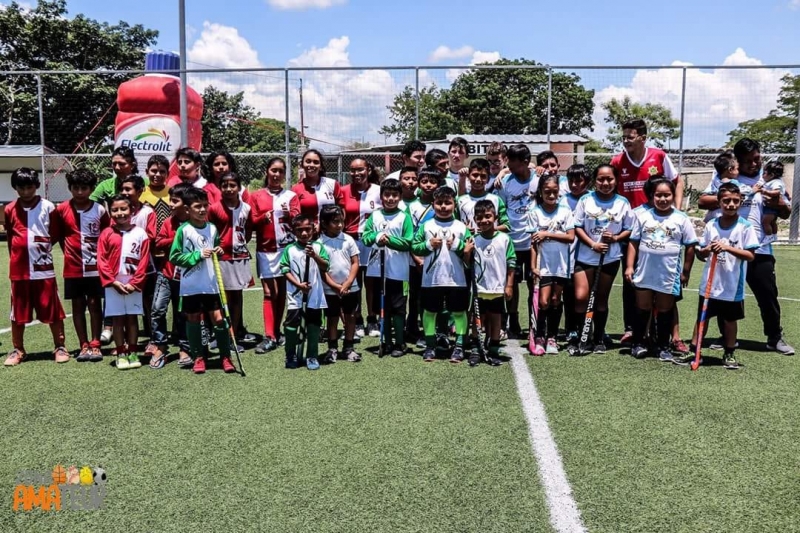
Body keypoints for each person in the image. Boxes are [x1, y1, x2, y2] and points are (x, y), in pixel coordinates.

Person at [697, 138, 794, 355]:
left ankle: (774, 337)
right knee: (725, 293)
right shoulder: (726, 176)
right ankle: (727, 338)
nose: (754, 164)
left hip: (759, 248)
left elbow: (786, 211)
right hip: (727, 248)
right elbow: (702, 201)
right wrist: (736, 195)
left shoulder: (769, 177)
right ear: (738, 162)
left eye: (757, 159)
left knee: (768, 294)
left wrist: (779, 204)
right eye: (748, 161)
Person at [611, 118, 683, 344]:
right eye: (623, 137)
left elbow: (677, 182)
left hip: (660, 230)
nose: (625, 141)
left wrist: (677, 212)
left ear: (643, 138)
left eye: (630, 137)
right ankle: (632, 329)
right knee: (631, 279)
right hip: (629, 232)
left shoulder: (659, 156)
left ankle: (669, 335)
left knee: (663, 281)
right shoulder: (617, 161)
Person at [675, 182, 759, 369]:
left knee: (730, 320)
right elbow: (701, 253)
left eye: (735, 201)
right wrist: (707, 250)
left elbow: (751, 255)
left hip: (731, 285)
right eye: (726, 201)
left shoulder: (745, 227)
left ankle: (729, 352)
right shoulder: (711, 225)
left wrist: (728, 247)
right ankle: (695, 349)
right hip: (709, 285)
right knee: (702, 318)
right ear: (719, 202)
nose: (730, 204)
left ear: (740, 201)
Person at [625, 177, 697, 361]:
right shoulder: (643, 216)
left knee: (665, 309)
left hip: (668, 273)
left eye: (667, 195)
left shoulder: (681, 219)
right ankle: (639, 343)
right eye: (659, 195)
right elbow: (633, 242)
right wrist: (629, 266)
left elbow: (690, 246)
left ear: (673, 196)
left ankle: (663, 346)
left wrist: (686, 271)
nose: (663, 199)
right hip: (645, 271)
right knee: (643, 307)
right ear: (652, 196)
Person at [3, 168, 68, 366]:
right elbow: (10, 236)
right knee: (18, 313)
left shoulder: (48, 207)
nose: (25, 191)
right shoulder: (9, 209)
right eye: (21, 187)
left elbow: (55, 234)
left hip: (43, 269)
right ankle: (18, 349)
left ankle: (59, 346)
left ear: (37, 186)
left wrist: (40, 251)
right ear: (15, 188)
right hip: (19, 271)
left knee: (52, 310)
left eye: (29, 187)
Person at [169, 187, 237, 375]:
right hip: (191, 285)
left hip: (211, 283)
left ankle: (225, 356)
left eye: (205, 206)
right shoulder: (183, 230)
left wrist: (219, 251)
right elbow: (174, 257)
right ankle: (198, 356)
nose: (202, 210)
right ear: (187, 209)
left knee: (218, 319)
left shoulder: (212, 228)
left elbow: (216, 248)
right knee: (193, 318)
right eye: (197, 206)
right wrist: (197, 255)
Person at [571, 164, 633, 354]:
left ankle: (598, 336)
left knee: (601, 299)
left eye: (609, 179)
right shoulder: (585, 200)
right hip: (585, 256)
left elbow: (629, 229)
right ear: (595, 181)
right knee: (581, 297)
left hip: (610, 258)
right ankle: (582, 334)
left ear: (616, 181)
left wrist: (614, 238)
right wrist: (593, 244)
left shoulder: (622, 202)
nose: (605, 183)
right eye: (601, 179)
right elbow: (578, 226)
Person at [411, 186, 472, 363]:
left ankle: (459, 347)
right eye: (439, 203)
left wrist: (457, 245)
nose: (443, 206)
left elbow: (469, 251)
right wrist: (429, 245)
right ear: (433, 204)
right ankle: (430, 346)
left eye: (448, 203)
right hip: (431, 279)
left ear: (454, 204)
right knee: (430, 313)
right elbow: (414, 247)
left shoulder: (461, 227)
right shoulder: (426, 226)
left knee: (459, 313)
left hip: (457, 279)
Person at [55, 168, 110, 362]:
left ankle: (96, 344)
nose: (79, 192)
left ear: (91, 188)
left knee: (95, 305)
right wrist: (69, 254)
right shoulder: (61, 209)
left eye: (84, 188)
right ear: (70, 188)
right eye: (75, 188)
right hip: (73, 268)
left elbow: (107, 236)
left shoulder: (100, 210)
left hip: (96, 267)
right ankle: (83, 345)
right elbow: (58, 235)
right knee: (77, 306)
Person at [250, 157, 301, 353]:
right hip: (266, 250)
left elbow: (299, 220)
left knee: (281, 294)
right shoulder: (257, 196)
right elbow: (251, 221)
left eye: (280, 171)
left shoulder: (291, 196)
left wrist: (290, 215)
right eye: (273, 170)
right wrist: (262, 218)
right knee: (269, 293)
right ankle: (269, 335)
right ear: (267, 171)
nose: (277, 174)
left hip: (287, 250)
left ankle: (277, 333)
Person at [98, 195, 151, 370]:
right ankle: (121, 352)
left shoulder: (140, 233)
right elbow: (102, 260)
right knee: (118, 320)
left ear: (132, 210)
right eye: (115, 210)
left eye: (123, 209)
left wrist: (135, 283)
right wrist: (112, 282)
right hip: (114, 284)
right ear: (110, 212)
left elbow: (143, 261)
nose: (119, 213)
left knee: (132, 319)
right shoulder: (106, 233)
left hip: (133, 284)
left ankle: (133, 351)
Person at [362, 178, 414, 357]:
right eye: (387, 195)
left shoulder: (404, 217)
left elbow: (409, 242)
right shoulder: (375, 215)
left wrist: (390, 240)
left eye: (394, 195)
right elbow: (366, 237)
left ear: (400, 197)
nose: (390, 198)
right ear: (381, 196)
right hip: (378, 270)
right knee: (383, 309)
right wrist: (377, 237)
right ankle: (387, 342)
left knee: (398, 309)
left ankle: (400, 343)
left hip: (398, 272)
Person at [528, 174, 575, 355]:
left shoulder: (565, 212)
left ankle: (552, 337)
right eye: (547, 191)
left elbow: (570, 237)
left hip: (561, 265)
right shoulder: (535, 213)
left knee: (556, 300)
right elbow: (533, 244)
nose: (551, 195)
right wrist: (533, 266)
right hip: (543, 264)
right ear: (541, 192)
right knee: (544, 301)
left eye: (555, 192)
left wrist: (547, 234)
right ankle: (539, 335)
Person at [148, 183, 193, 369]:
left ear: (186, 204)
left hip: (187, 278)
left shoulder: (196, 223)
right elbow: (159, 242)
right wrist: (177, 237)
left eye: (175, 201)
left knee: (182, 314)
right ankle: (160, 345)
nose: (171, 204)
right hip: (166, 274)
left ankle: (185, 347)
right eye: (170, 200)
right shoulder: (168, 222)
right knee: (158, 309)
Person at [496, 144, 538, 338]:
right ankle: (511, 321)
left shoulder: (539, 179)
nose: (508, 164)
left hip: (533, 244)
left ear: (526, 162)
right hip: (511, 242)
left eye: (512, 161)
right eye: (507, 161)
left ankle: (534, 323)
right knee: (509, 284)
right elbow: (501, 210)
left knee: (533, 284)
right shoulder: (505, 181)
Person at [208, 172, 252, 355]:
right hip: (221, 259)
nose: (228, 189)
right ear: (220, 188)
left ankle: (233, 335)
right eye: (224, 185)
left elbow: (248, 232)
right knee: (221, 299)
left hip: (240, 258)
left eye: (232, 185)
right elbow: (208, 232)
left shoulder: (247, 208)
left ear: (239, 187)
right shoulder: (214, 208)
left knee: (236, 299)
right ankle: (221, 336)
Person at [280, 215, 330, 370]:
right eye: (299, 230)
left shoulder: (318, 247)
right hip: (295, 296)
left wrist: (314, 256)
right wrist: (298, 285)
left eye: (307, 230)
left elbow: (325, 266)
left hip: (314, 296)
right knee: (291, 326)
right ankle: (291, 354)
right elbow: (284, 269)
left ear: (313, 229)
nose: (303, 234)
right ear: (294, 231)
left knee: (314, 325)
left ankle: (312, 355)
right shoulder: (290, 249)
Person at [341, 157, 382, 338]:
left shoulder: (379, 191)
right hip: (351, 242)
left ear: (368, 170)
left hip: (372, 243)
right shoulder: (343, 191)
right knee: (354, 282)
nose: (356, 173)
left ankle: (372, 319)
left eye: (360, 169)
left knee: (372, 282)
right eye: (353, 170)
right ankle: (356, 319)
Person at [471, 199, 515, 366]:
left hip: (497, 288)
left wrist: (509, 285)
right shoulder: (473, 239)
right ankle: (476, 349)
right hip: (479, 289)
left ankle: (494, 348)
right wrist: (467, 252)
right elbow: (468, 263)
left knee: (496, 318)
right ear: (475, 219)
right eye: (480, 217)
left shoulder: (504, 239)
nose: (484, 221)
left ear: (495, 217)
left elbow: (511, 264)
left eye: (488, 216)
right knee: (477, 319)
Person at [319, 205, 362, 363]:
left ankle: (348, 347)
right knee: (332, 317)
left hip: (350, 287)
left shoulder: (348, 239)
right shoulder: (320, 243)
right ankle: (332, 348)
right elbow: (322, 270)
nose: (339, 225)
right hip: (330, 289)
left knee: (350, 316)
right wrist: (335, 286)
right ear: (324, 223)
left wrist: (348, 282)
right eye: (335, 222)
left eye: (341, 221)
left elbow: (355, 262)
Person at [406, 167, 440, 347]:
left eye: (433, 182)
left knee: (433, 297)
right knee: (415, 296)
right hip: (415, 261)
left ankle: (434, 330)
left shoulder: (442, 203)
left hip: (437, 261)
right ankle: (412, 330)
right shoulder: (411, 206)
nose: (428, 185)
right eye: (424, 181)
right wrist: (417, 258)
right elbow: (409, 235)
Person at [559, 164, 591, 346]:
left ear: (586, 182)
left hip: (587, 254)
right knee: (569, 294)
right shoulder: (563, 200)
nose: (574, 184)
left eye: (579, 181)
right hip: (566, 254)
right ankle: (571, 328)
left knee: (586, 295)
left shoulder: (592, 199)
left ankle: (588, 328)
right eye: (571, 180)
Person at [457, 158, 509, 233]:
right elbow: (452, 223)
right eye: (475, 175)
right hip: (468, 244)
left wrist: (491, 229)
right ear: (468, 176)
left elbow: (507, 225)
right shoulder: (460, 200)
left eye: (483, 176)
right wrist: (463, 228)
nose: (478, 179)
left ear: (488, 179)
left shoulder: (496, 200)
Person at [292, 148, 344, 223]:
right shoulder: (295, 189)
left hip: (330, 232)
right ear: (302, 164)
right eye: (308, 161)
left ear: (321, 166)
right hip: (308, 233)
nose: (312, 165)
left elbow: (342, 209)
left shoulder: (333, 184)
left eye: (316, 162)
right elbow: (296, 217)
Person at [704, 151, 742, 222]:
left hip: (713, 213)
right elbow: (744, 192)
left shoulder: (715, 180)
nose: (739, 172)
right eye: (737, 169)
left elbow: (707, 194)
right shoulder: (734, 183)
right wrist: (753, 190)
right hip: (724, 213)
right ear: (730, 170)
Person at [140, 154, 172, 234]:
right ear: (147, 172)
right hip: (147, 239)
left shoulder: (173, 193)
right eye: (154, 171)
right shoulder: (140, 193)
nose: (157, 175)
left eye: (162, 172)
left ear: (167, 173)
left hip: (169, 239)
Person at [756, 160, 786, 244]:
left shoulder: (775, 182)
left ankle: (768, 236)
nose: (762, 175)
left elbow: (777, 192)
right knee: (772, 222)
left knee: (765, 222)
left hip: (771, 206)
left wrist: (765, 192)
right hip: (770, 206)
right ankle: (774, 235)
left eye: (764, 173)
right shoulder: (770, 182)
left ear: (771, 175)